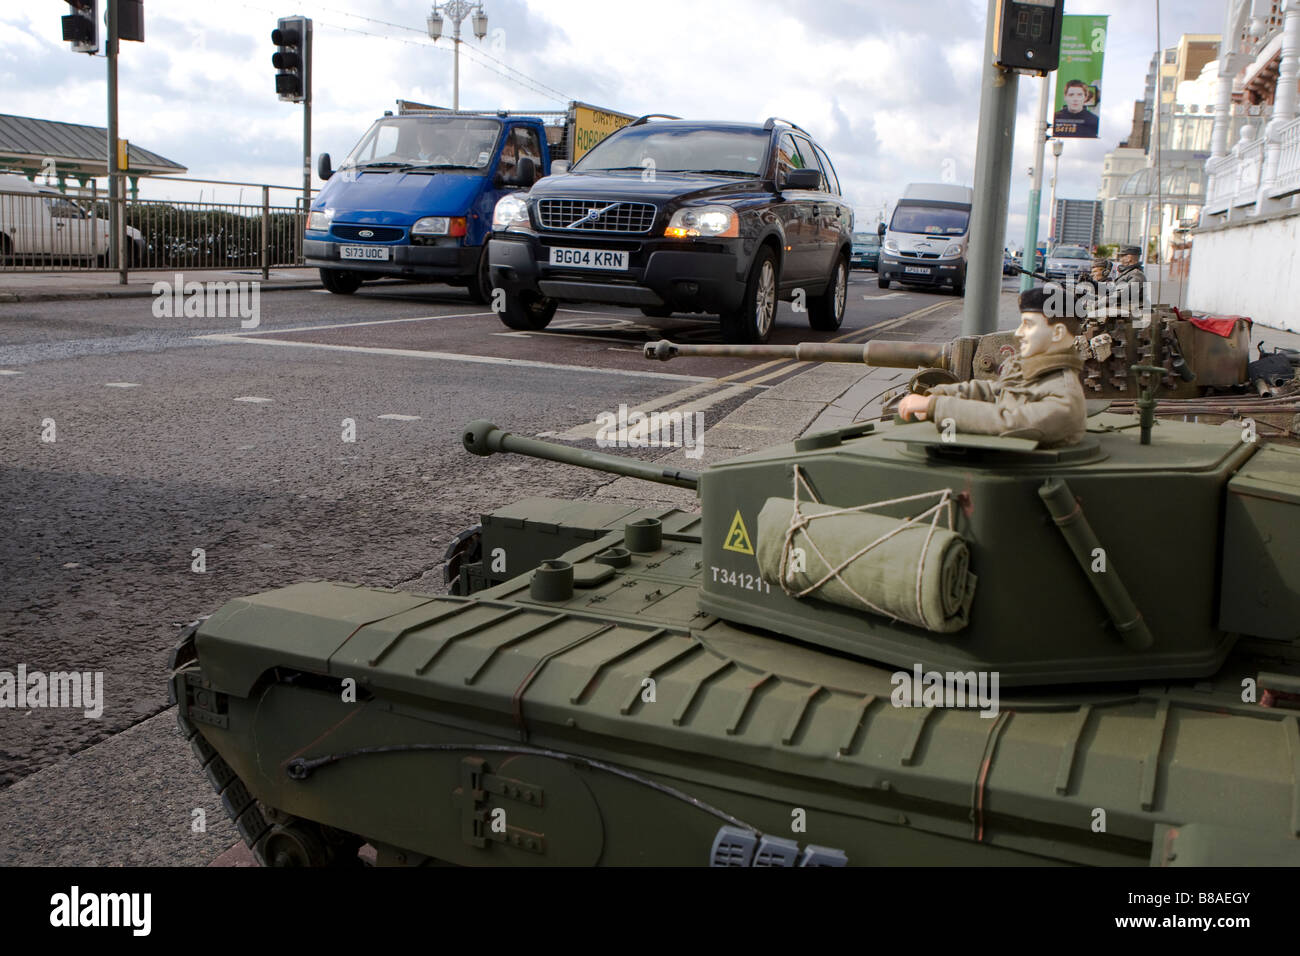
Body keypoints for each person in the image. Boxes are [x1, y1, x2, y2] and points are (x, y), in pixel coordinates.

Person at [897, 286, 1087, 447]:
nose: (1019, 333)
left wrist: (937, 407)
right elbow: (994, 390)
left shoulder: (1064, 395)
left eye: (1028, 325)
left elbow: (1010, 421)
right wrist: (939, 394)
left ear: (1057, 333)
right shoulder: (1036, 372)